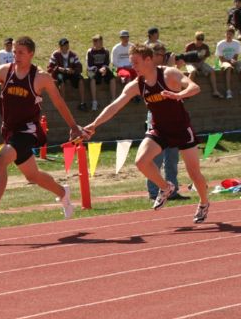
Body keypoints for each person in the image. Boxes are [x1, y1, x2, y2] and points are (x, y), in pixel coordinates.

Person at [0, 35, 80, 226]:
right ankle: (63, 192)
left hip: (28, 131)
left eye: (21, 52)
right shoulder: (4, 71)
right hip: (10, 131)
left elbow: (59, 103)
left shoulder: (41, 78)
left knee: (0, 160)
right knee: (32, 175)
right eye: (14, 52)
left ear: (31, 54)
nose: (16, 56)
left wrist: (74, 127)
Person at [83, 44, 210, 224]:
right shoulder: (137, 84)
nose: (132, 66)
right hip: (159, 130)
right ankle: (166, 187)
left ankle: (204, 203)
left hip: (181, 128)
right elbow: (115, 106)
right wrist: (95, 124)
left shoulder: (168, 74)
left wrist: (178, 95)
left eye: (136, 62)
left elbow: (194, 87)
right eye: (131, 62)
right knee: (141, 162)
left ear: (148, 59)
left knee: (194, 173)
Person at [146, 44, 186, 202]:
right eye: (160, 54)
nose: (163, 57)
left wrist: (175, 68)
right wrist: (169, 66)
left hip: (173, 118)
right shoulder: (149, 71)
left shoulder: (168, 71)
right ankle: (154, 190)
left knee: (172, 156)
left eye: (164, 55)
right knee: (156, 156)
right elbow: (158, 85)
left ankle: (172, 190)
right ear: (152, 55)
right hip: (156, 118)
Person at [47, 37, 87, 110]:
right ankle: (63, 105)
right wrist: (59, 68)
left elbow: (79, 67)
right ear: (60, 47)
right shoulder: (55, 55)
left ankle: (82, 103)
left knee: (80, 79)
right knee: (61, 82)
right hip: (60, 73)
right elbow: (49, 69)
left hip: (71, 73)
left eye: (67, 45)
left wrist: (73, 71)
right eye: (63, 45)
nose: (65, 47)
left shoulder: (73, 55)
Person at [182, 31, 223, 98]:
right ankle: (187, 90)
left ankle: (215, 91)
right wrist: (194, 65)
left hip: (200, 62)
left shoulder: (205, 47)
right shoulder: (190, 46)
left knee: (212, 71)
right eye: (198, 39)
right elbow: (185, 58)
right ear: (195, 39)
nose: (200, 41)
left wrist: (200, 63)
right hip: (190, 63)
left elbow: (205, 57)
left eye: (202, 39)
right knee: (193, 71)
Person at [216, 26, 241, 99]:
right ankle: (228, 91)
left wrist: (233, 61)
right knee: (228, 67)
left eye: (230, 34)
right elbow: (221, 58)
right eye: (227, 34)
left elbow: (236, 55)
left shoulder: (236, 43)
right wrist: (229, 62)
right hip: (223, 61)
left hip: (232, 60)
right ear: (225, 34)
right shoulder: (220, 44)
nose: (229, 36)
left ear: (233, 35)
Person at [85, 34, 116, 111]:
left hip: (103, 69)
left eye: (100, 42)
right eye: (96, 42)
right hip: (93, 70)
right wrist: (98, 70)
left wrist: (104, 68)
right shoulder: (90, 52)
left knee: (112, 78)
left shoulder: (106, 51)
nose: (98, 44)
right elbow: (89, 65)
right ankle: (94, 101)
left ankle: (113, 100)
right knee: (92, 78)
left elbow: (107, 62)